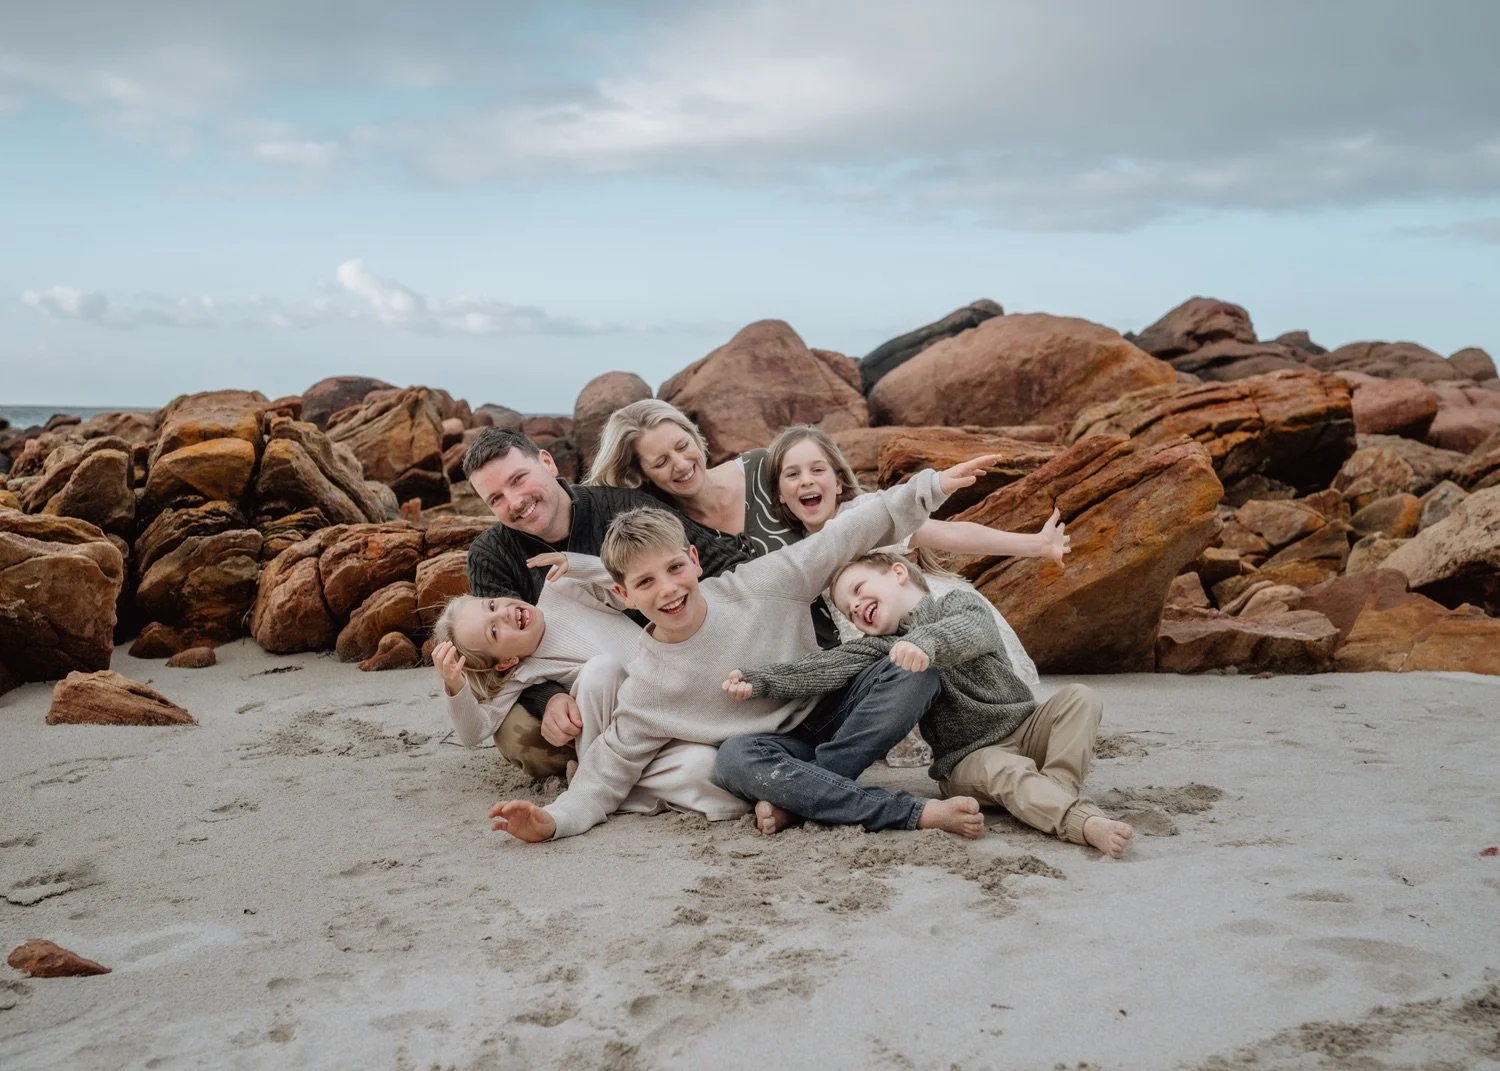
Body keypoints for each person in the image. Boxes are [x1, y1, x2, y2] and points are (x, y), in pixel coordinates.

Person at [487, 456, 1000, 844]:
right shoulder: (647, 686)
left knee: (913, 669)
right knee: (734, 761)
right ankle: (905, 812)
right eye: (645, 582)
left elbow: (844, 536)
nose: (666, 590)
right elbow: (603, 775)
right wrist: (552, 822)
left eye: (673, 569)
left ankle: (803, 796)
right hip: (770, 751)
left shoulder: (759, 584)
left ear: (692, 559)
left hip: (834, 710)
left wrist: (929, 487)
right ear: (624, 595)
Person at [723, 551, 1133, 857]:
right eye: (849, 609)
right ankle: (1082, 821)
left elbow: (970, 631)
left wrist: (924, 643)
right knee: (1005, 771)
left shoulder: (960, 604)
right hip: (969, 757)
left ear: (898, 572)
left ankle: (1056, 789)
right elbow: (824, 666)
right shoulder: (881, 648)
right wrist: (761, 681)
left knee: (1081, 697)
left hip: (1026, 724)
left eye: (859, 590)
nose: (856, 607)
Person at [463, 427, 753, 777]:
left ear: (547, 462)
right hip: (580, 687)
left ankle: (639, 765)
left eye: (519, 479)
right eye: (495, 498)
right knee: (520, 736)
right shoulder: (490, 556)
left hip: (665, 661)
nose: (514, 502)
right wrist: (549, 698)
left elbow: (726, 567)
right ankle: (620, 766)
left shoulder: (625, 507)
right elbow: (499, 659)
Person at [430, 555, 748, 822]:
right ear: (505, 662)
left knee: (706, 762)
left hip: (677, 703)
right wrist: (454, 686)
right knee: (601, 673)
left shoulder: (561, 589)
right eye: (495, 631)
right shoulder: (524, 674)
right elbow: (474, 733)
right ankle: (597, 781)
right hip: (631, 741)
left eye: (492, 605)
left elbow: (626, 584)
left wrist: (577, 564)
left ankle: (605, 786)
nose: (503, 614)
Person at [766, 424, 1066, 685]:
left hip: (931, 621)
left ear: (838, 481)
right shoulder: (796, 552)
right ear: (779, 493)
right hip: (868, 639)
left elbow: (953, 534)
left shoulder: (870, 513)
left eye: (817, 470)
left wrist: (1037, 545)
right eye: (792, 474)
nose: (806, 480)